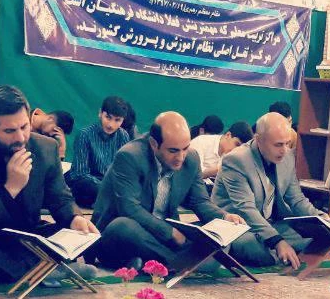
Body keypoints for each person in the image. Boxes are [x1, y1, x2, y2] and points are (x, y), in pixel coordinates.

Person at [0, 85, 98, 284]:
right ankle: (40, 270)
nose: (21, 138)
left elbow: (60, 198)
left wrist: (74, 218)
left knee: (69, 235)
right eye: (9, 131)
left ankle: (32, 268)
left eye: (24, 127)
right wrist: (10, 189)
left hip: (24, 235)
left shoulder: (46, 147)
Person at [91, 112, 245, 270]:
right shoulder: (130, 156)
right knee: (122, 226)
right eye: (173, 151)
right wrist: (169, 232)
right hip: (124, 235)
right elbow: (129, 209)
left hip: (162, 236)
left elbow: (199, 201)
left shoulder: (191, 158)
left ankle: (150, 261)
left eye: (185, 149)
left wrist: (224, 216)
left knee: (210, 231)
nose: (181, 157)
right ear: (154, 144)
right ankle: (179, 262)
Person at [212, 112, 324, 268]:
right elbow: (246, 209)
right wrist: (277, 241)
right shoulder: (236, 160)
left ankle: (276, 252)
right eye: (278, 145)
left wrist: (321, 219)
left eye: (287, 143)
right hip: (237, 225)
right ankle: (275, 252)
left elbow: (296, 199)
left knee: (313, 238)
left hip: (269, 223)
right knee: (253, 247)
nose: (284, 150)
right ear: (258, 140)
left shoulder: (287, 157)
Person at [67, 95, 130, 208]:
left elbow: (124, 171)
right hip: (89, 183)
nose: (111, 124)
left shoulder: (123, 136)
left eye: (117, 120)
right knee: (84, 185)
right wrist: (107, 188)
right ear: (100, 113)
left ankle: (108, 201)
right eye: (108, 117)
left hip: (110, 185)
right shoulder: (85, 135)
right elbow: (80, 174)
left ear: (123, 120)